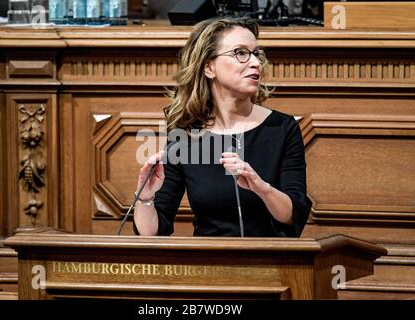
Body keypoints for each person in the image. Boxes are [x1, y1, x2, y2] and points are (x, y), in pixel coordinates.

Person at [133, 16, 311, 237]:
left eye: (256, 53)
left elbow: (294, 215)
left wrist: (261, 187)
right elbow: (152, 233)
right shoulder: (187, 135)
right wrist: (146, 197)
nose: (255, 62)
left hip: (271, 262)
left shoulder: (281, 128)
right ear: (209, 67)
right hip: (208, 264)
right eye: (241, 53)